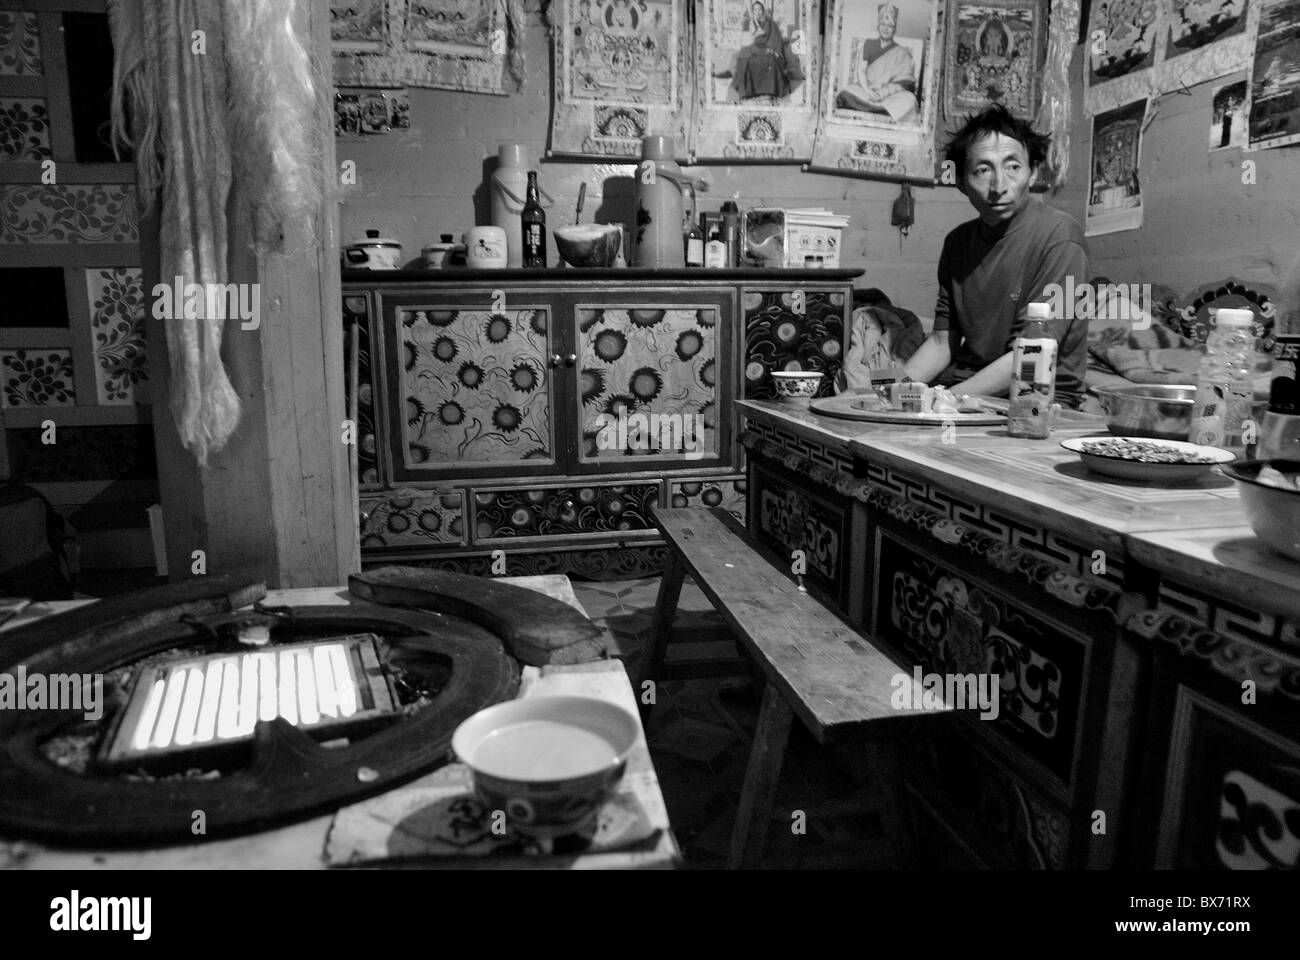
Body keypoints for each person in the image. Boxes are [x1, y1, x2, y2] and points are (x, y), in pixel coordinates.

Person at [901, 104, 1091, 408]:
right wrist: (883, 389)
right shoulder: (958, 242)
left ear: (1033, 172)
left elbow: (1033, 353)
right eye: (983, 170)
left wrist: (951, 398)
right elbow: (941, 343)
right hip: (963, 390)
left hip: (1033, 399)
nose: (999, 186)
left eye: (1013, 167)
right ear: (961, 182)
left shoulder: (1060, 237)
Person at [835, 3, 917, 122]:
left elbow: (905, 84)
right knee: (846, 93)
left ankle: (874, 109)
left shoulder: (903, 53)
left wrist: (882, 93)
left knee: (910, 100)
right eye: (883, 24)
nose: (885, 28)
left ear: (894, 29)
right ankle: (882, 111)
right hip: (866, 92)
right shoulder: (868, 44)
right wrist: (868, 91)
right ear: (878, 26)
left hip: (890, 96)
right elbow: (861, 71)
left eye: (890, 26)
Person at [724, 2, 792, 101]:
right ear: (753, 11)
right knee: (746, 60)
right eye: (755, 10)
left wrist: (772, 49)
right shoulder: (749, 23)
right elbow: (747, 41)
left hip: (768, 49)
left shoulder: (770, 23)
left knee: (771, 60)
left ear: (763, 10)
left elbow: (774, 39)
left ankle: (770, 90)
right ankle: (750, 90)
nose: (758, 12)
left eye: (760, 9)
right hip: (754, 48)